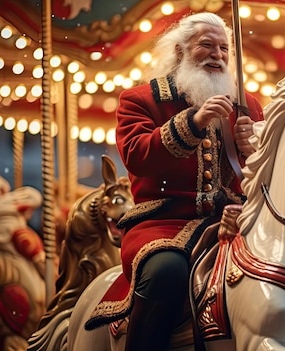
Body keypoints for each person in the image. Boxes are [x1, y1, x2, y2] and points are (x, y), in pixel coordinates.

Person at [112, 12, 263, 351]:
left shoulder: (247, 105)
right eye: (206, 46)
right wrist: (194, 122)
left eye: (224, 48)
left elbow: (268, 174)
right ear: (181, 51)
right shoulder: (141, 100)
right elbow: (137, 155)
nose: (218, 55)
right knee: (166, 272)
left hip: (232, 222)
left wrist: (254, 149)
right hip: (164, 222)